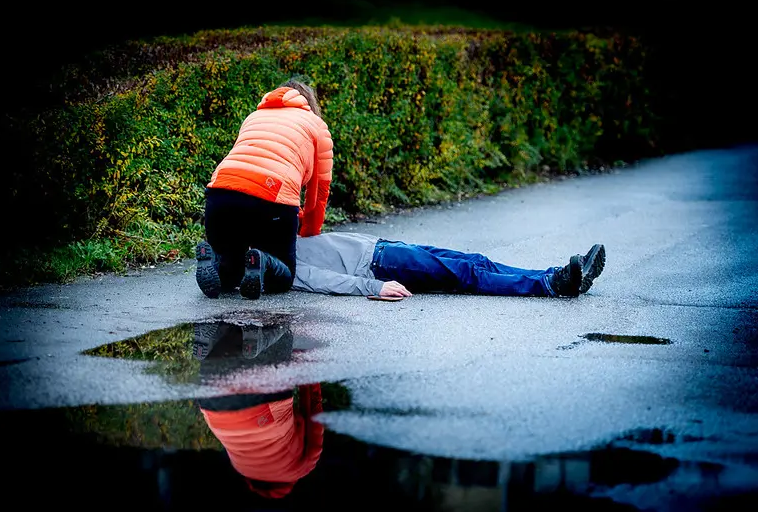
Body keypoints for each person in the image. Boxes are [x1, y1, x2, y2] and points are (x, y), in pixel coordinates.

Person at [195, 75, 334, 300]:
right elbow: (318, 196)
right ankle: (263, 259)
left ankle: (212, 259)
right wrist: (308, 234)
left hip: (220, 192)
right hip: (271, 198)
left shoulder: (254, 116)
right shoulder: (317, 126)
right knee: (283, 276)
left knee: (230, 275)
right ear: (309, 102)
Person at [192, 322, 324, 499]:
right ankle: (212, 340)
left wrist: (305, 363)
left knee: (283, 331)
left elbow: (314, 412)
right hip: (211, 404)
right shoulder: (240, 468)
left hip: (263, 404)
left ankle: (263, 338)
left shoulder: (301, 469)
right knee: (237, 347)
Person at [292, 232, 606, 298]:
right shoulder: (282, 263)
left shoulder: (278, 233)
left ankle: (558, 276)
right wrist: (375, 287)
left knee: (477, 261)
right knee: (468, 275)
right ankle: (554, 285)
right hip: (378, 265)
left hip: (385, 248)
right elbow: (322, 280)